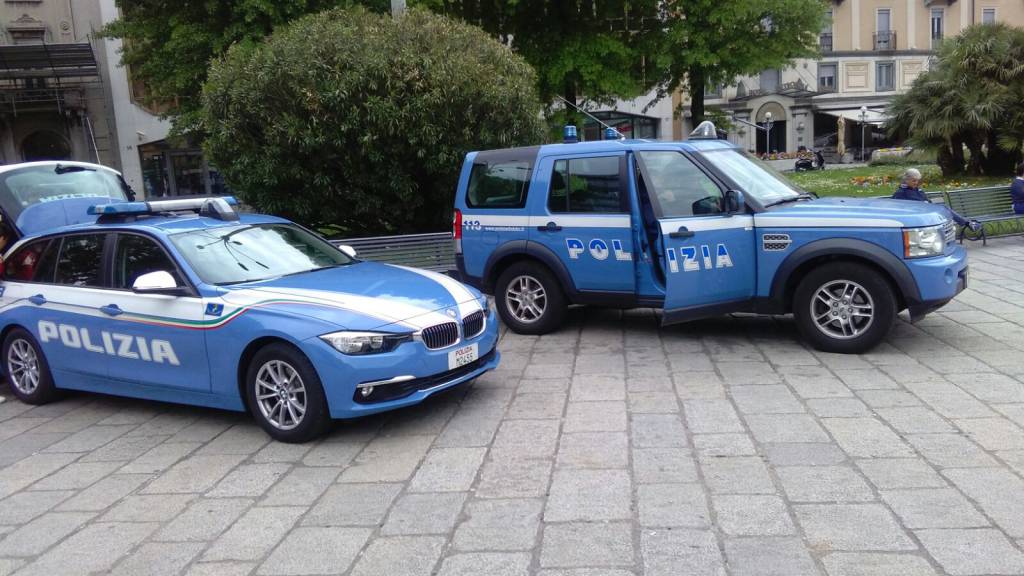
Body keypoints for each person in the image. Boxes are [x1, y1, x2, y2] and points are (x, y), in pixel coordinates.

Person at [892, 168, 981, 232]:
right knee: (943, 208)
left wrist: (928, 202)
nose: (916, 183)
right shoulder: (901, 192)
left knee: (943, 208)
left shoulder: (917, 189)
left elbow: (924, 200)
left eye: (917, 181)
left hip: (925, 210)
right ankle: (968, 223)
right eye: (913, 181)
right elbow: (898, 208)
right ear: (906, 180)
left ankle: (967, 223)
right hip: (917, 215)